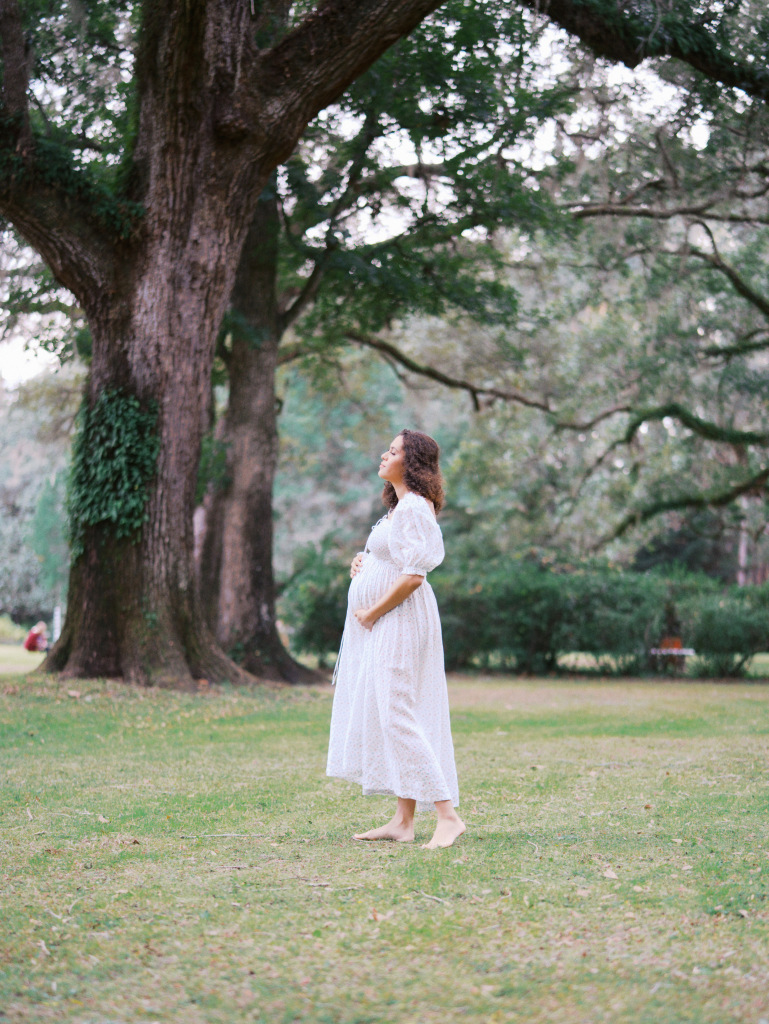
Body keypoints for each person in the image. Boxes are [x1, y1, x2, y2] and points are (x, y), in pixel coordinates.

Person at [326, 430, 464, 850]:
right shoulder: (400, 509)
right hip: (388, 622)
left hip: (401, 621)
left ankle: (447, 815)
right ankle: (404, 822)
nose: (383, 455)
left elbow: (414, 576)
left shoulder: (415, 508)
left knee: (397, 714)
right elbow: (394, 559)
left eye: (393, 451)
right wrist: (364, 563)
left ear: (413, 462)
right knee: (391, 712)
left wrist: (372, 610)